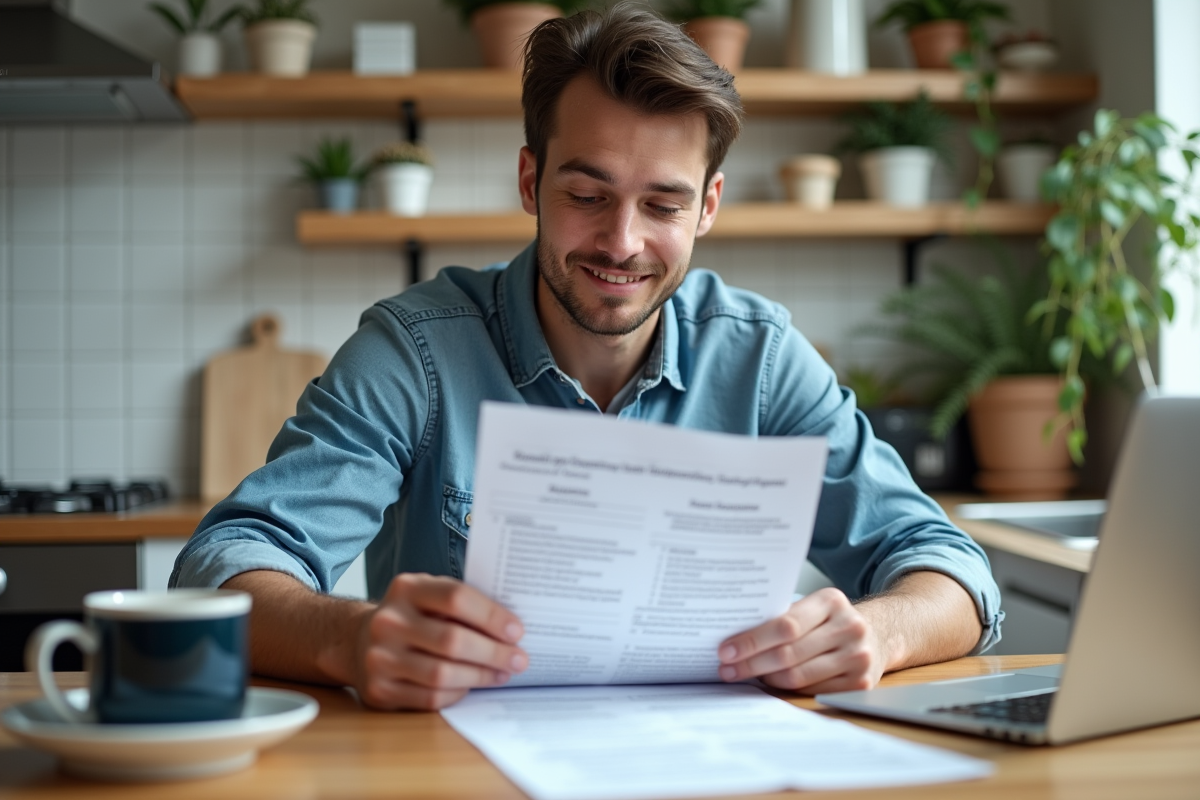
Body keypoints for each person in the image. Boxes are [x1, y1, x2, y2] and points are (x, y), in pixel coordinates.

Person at [172, 4, 1002, 712]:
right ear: (530, 183)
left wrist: (878, 631)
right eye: (587, 195)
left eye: (663, 204)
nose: (622, 242)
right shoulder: (414, 352)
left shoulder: (762, 358)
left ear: (707, 207)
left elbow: (953, 571)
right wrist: (348, 639)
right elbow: (221, 568)